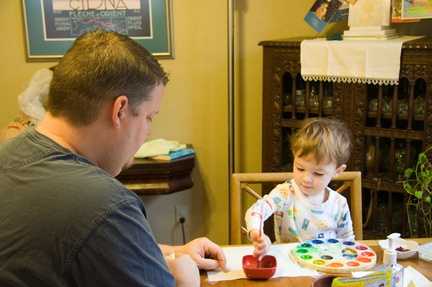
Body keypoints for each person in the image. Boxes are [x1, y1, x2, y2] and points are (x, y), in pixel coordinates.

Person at [0, 29, 226, 287]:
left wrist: (167, 251)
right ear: (119, 110)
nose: (150, 130)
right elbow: (94, 229)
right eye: (149, 118)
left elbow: (70, 247)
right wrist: (184, 273)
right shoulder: (106, 205)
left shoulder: (7, 154)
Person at [245, 117, 354, 259]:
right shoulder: (285, 193)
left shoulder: (339, 204)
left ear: (337, 171)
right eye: (300, 168)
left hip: (326, 266)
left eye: (318, 173)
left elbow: (348, 242)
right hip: (289, 264)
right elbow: (257, 210)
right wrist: (257, 233)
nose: (306, 179)